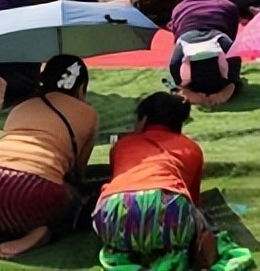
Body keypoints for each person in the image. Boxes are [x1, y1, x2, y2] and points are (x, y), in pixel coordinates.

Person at [0, 55, 98, 260]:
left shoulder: (21, 106)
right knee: (80, 200)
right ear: (81, 89)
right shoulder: (88, 114)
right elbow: (78, 171)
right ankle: (39, 232)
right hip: (35, 192)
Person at [92, 93, 217, 270]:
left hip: (114, 212)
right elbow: (194, 201)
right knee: (199, 221)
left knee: (123, 234)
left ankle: (122, 251)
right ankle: (176, 255)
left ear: (143, 121)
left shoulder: (122, 145)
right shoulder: (191, 148)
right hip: (170, 210)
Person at [167, 0, 242, 106]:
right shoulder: (228, 6)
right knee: (233, 53)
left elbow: (177, 37)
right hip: (219, 43)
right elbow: (232, 36)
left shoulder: (179, 8)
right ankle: (230, 85)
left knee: (175, 65)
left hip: (186, 44)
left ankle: (182, 87)